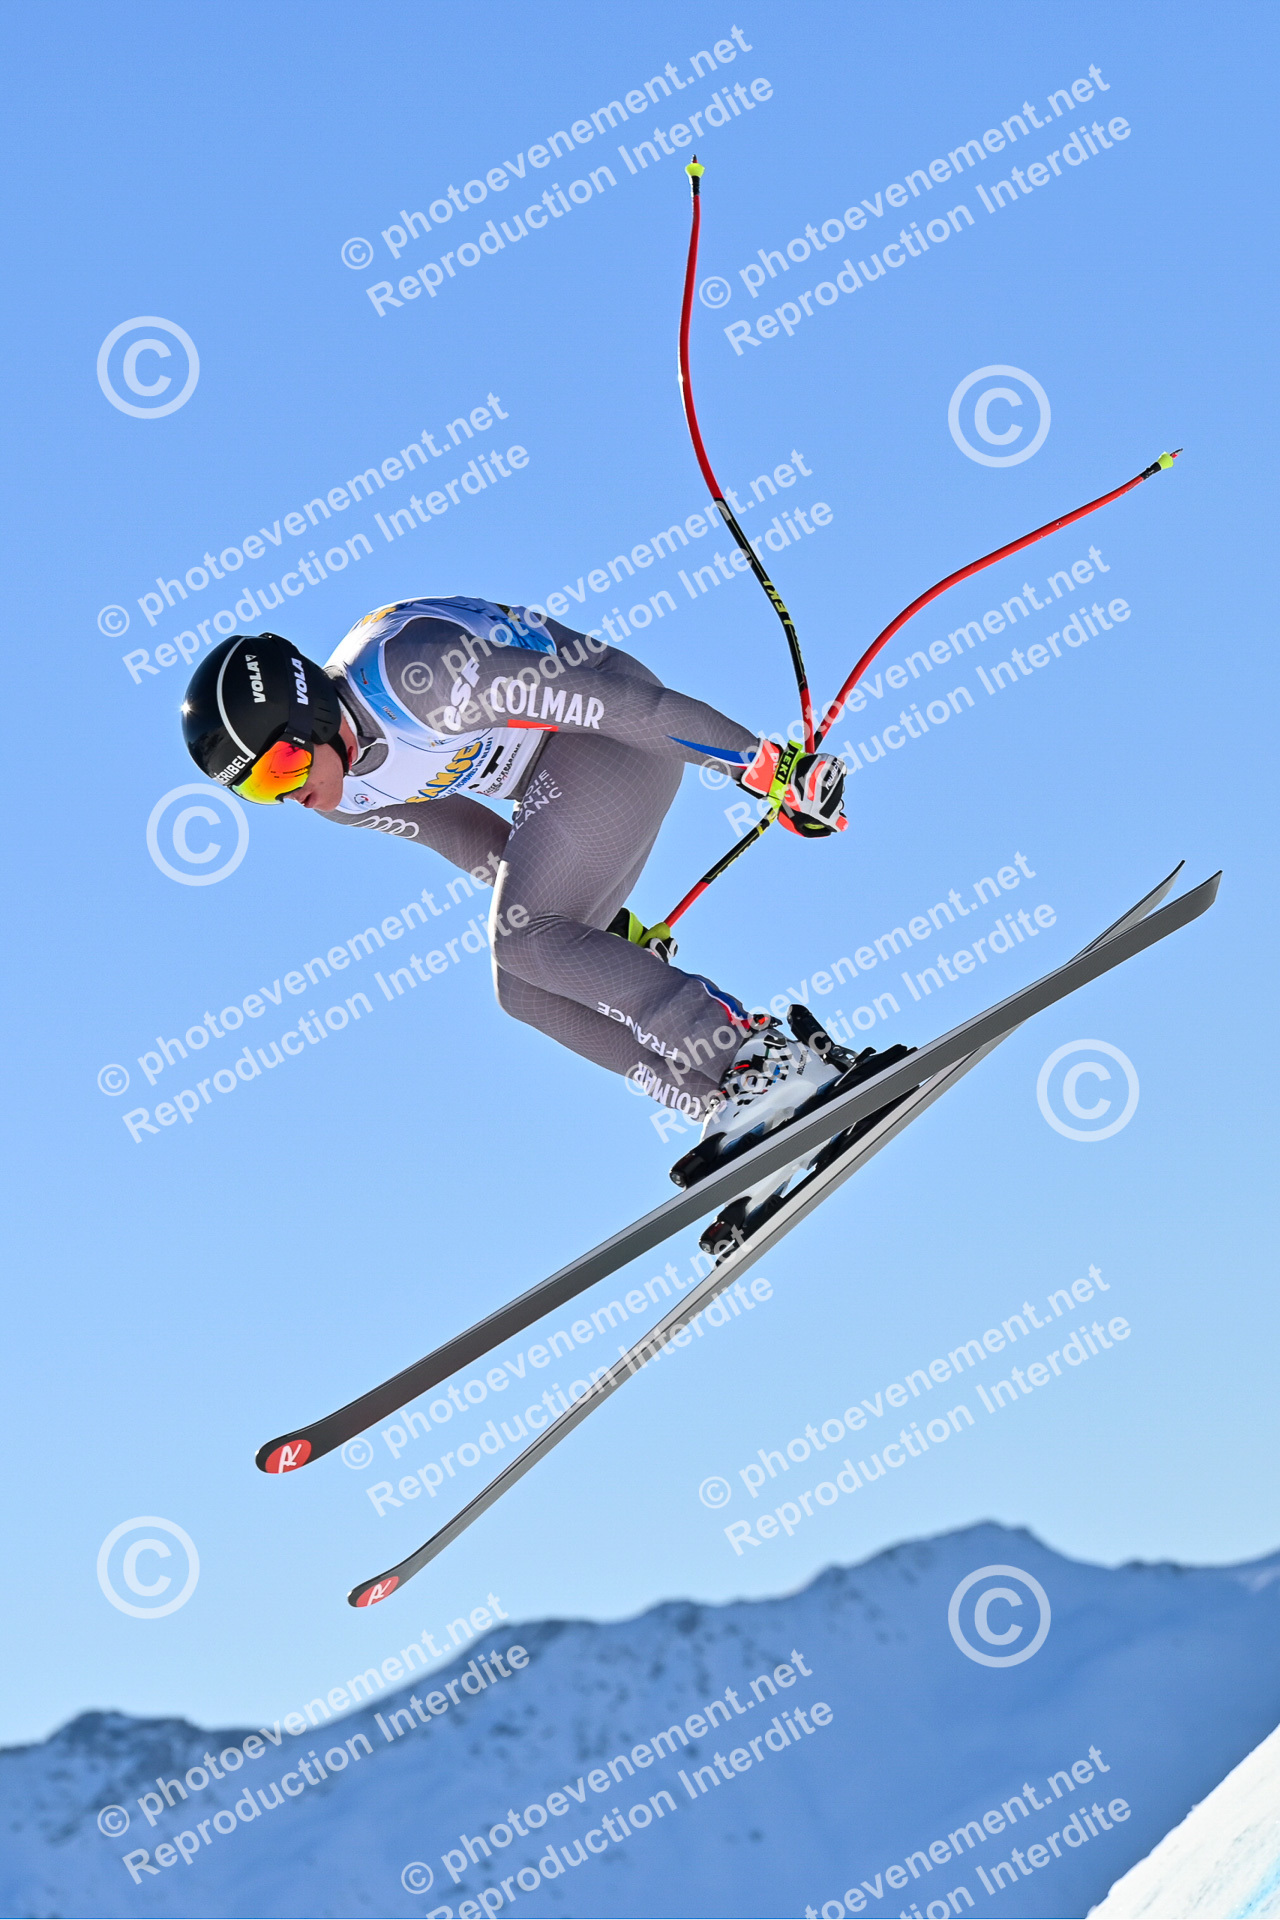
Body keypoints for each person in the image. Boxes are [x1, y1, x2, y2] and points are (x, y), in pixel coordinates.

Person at [180, 595, 860, 1175]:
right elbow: (468, 838)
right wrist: (596, 929)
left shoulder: (419, 679)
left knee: (522, 939)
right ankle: (732, 1102)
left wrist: (766, 768)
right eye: (260, 790)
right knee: (525, 987)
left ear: (312, 718)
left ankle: (758, 1058)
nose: (290, 795)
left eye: (281, 768)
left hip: (619, 739)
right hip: (553, 790)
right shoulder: (344, 797)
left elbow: (621, 705)